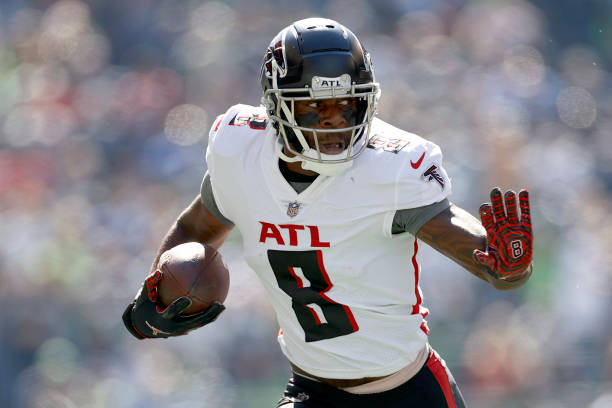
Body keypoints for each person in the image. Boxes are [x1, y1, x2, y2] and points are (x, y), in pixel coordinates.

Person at [122, 17, 533, 407]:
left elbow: (474, 249)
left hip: (408, 392)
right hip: (312, 390)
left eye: (347, 105)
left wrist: (507, 266)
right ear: (275, 105)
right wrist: (158, 290)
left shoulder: (391, 168)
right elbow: (198, 227)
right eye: (315, 108)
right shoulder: (240, 151)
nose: (335, 121)